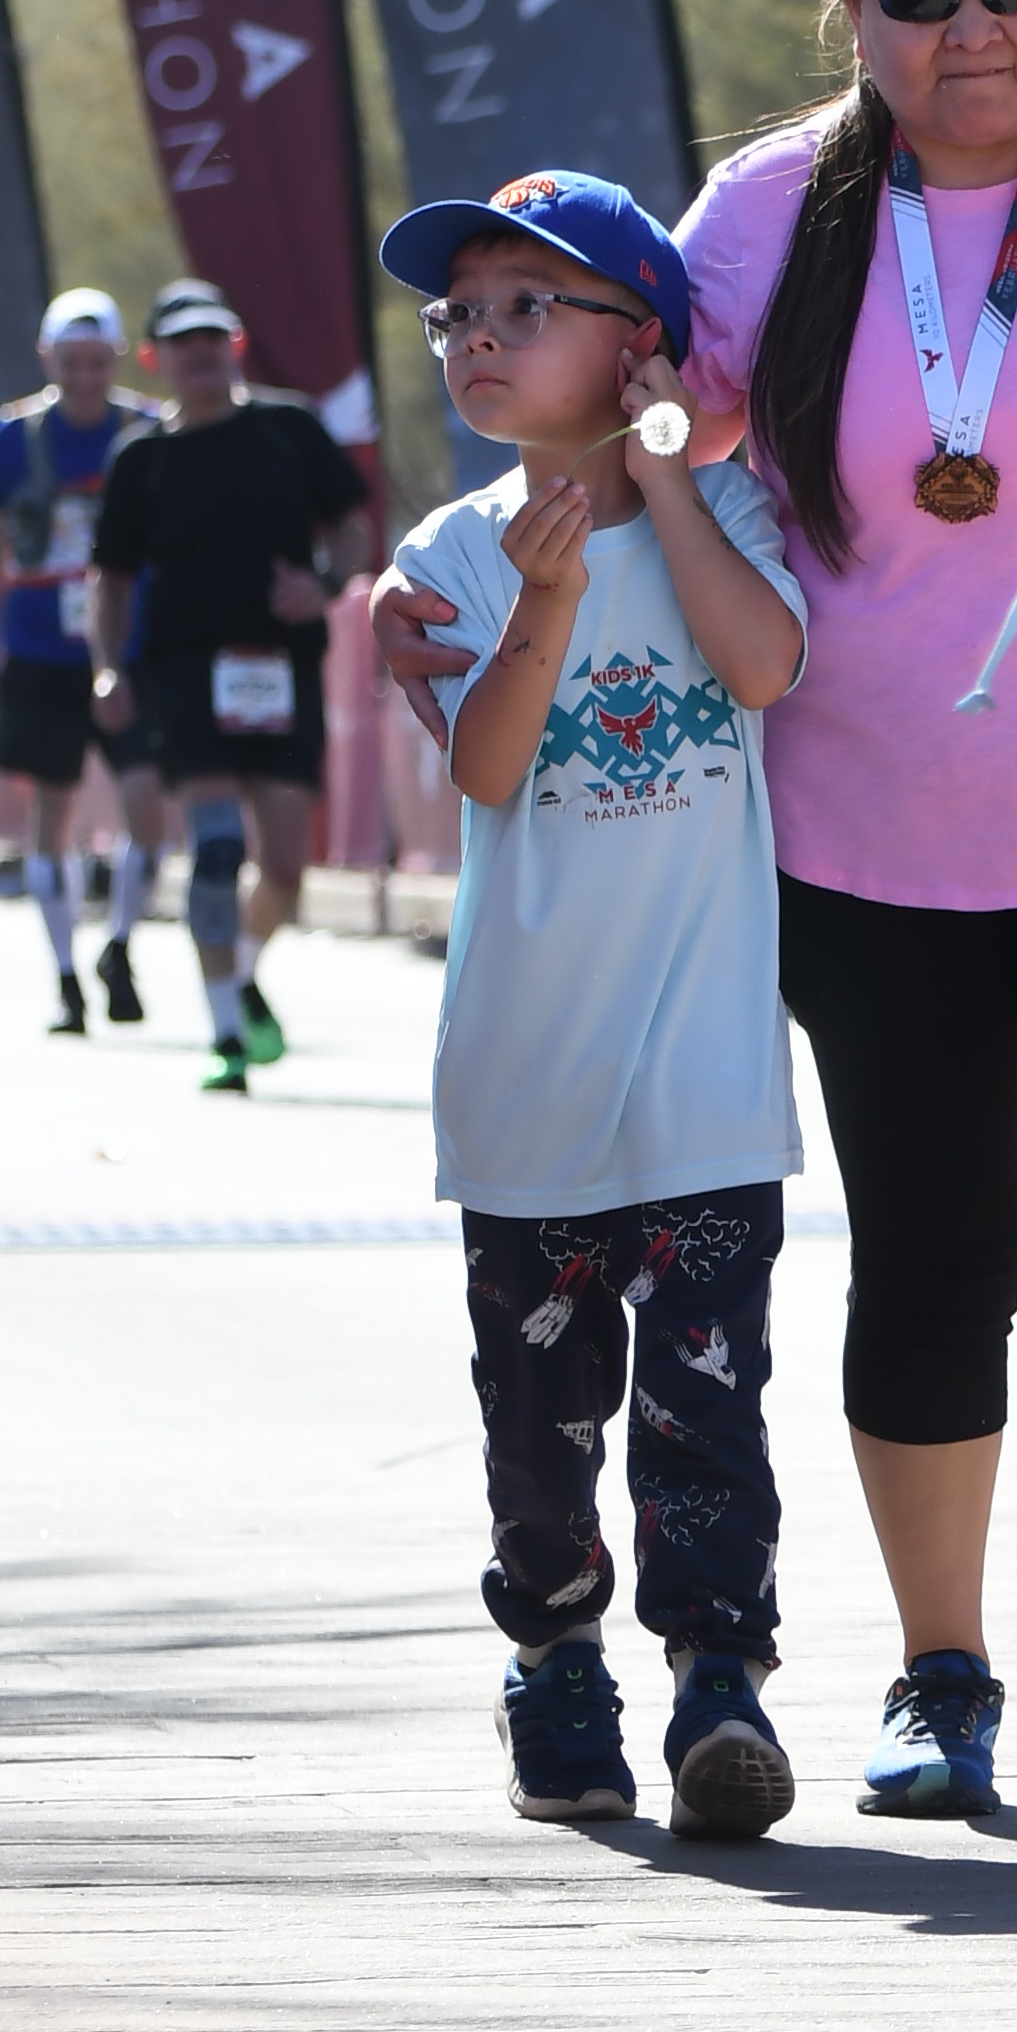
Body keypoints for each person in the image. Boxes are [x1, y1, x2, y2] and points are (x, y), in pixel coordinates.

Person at [671, 0, 1017, 1825]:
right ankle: (939, 1671)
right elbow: (643, 407)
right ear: (854, 9)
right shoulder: (769, 211)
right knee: (934, 1250)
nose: (972, 26)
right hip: (863, 842)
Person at [380, 175, 811, 1840]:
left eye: (525, 307)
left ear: (640, 345)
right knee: (542, 1421)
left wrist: (665, 476)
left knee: (709, 1406)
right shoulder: (451, 555)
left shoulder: (733, 511)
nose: (477, 339)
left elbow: (763, 666)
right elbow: (489, 769)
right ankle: (555, 1661)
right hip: (529, 1084)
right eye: (457, 315)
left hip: (704, 1080)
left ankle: (720, 1681)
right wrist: (546, 602)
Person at [86, 278, 373, 1091]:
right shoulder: (140, 458)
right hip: (184, 671)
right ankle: (225, 1034)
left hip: (280, 666)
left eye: (213, 338)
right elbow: (109, 579)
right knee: (216, 849)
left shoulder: (289, 428)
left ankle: (239, 974)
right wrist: (107, 668)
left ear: (236, 345)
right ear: (155, 358)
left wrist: (324, 583)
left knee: (284, 866)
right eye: (183, 343)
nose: (201, 354)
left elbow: (353, 527)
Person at [0, 286, 165, 1033]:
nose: (84, 378)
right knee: (50, 811)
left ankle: (119, 945)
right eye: (70, 362)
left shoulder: (148, 430)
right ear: (46, 358)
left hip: (130, 647)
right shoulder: (14, 435)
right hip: (39, 648)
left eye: (97, 362)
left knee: (147, 805)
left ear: (116, 359)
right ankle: (64, 976)